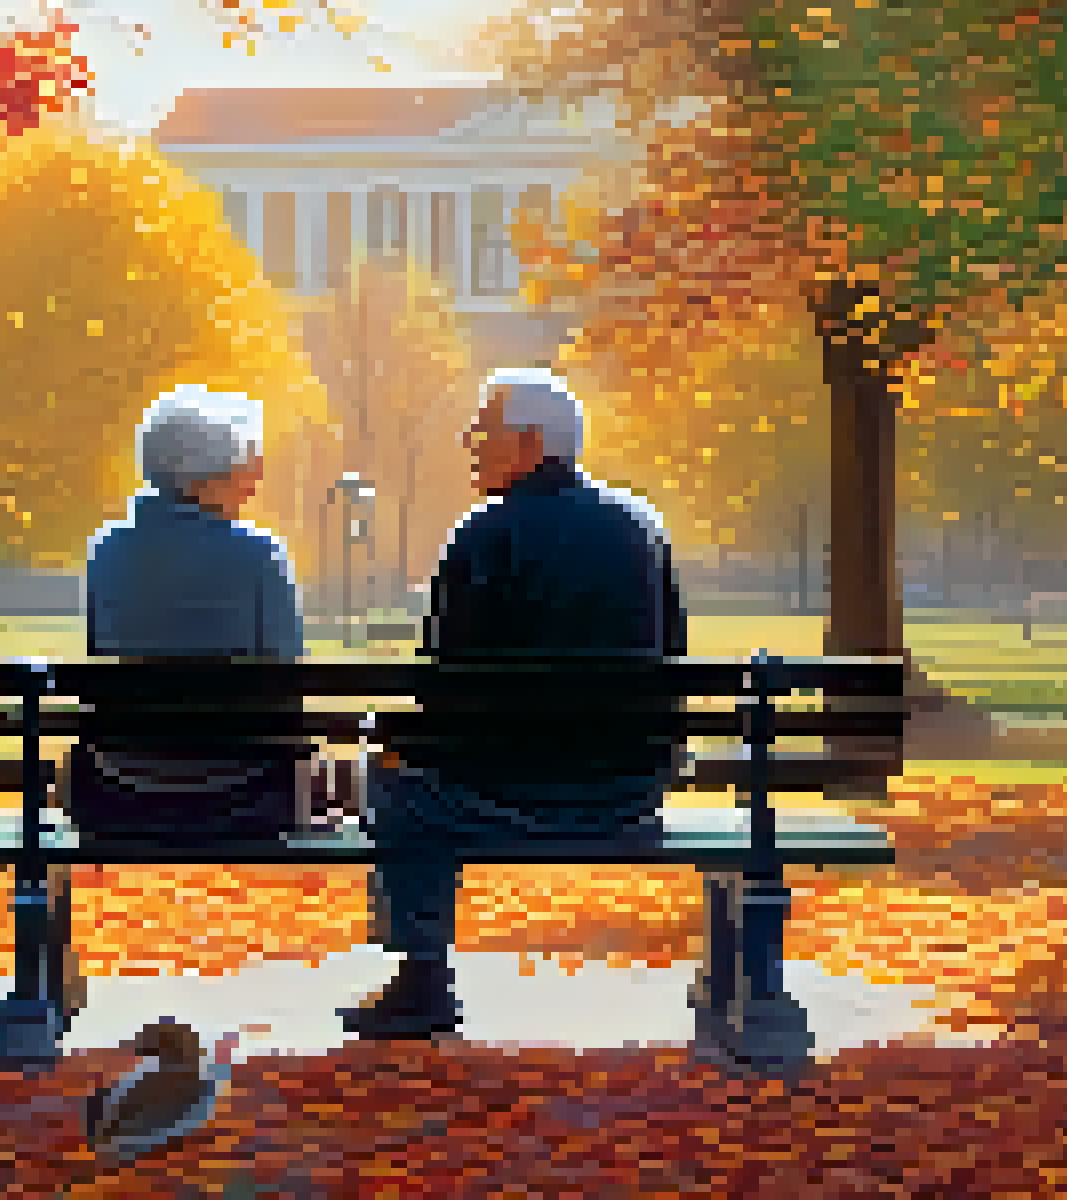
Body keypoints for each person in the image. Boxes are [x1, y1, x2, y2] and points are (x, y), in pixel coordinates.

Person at [340, 367, 690, 1040]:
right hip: (626, 794)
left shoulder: (482, 533)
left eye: (484, 430)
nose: (471, 442)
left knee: (395, 785)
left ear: (530, 443)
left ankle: (422, 978)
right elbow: (670, 657)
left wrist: (398, 743)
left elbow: (447, 689)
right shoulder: (640, 527)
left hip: (510, 795)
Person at [71, 384, 314, 841]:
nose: (254, 478)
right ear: (206, 475)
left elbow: (101, 654)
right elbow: (288, 677)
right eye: (244, 464)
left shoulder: (107, 551)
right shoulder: (260, 555)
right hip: (246, 795)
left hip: (120, 792)